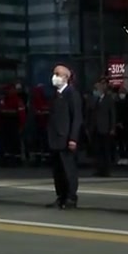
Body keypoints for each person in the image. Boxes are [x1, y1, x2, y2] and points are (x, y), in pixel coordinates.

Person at [46, 64, 83, 210]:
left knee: (69, 170)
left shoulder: (72, 93)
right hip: (55, 138)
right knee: (58, 171)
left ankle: (71, 197)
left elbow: (77, 118)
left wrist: (73, 138)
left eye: (57, 74)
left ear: (65, 77)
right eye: (54, 73)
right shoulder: (55, 94)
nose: (54, 77)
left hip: (66, 138)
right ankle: (60, 196)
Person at [90, 78, 117, 177]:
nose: (96, 90)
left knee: (106, 151)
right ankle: (99, 169)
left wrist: (112, 128)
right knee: (97, 151)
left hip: (105, 128)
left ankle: (106, 170)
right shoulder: (94, 99)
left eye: (97, 88)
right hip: (96, 128)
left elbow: (112, 114)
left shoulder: (108, 99)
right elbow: (90, 111)